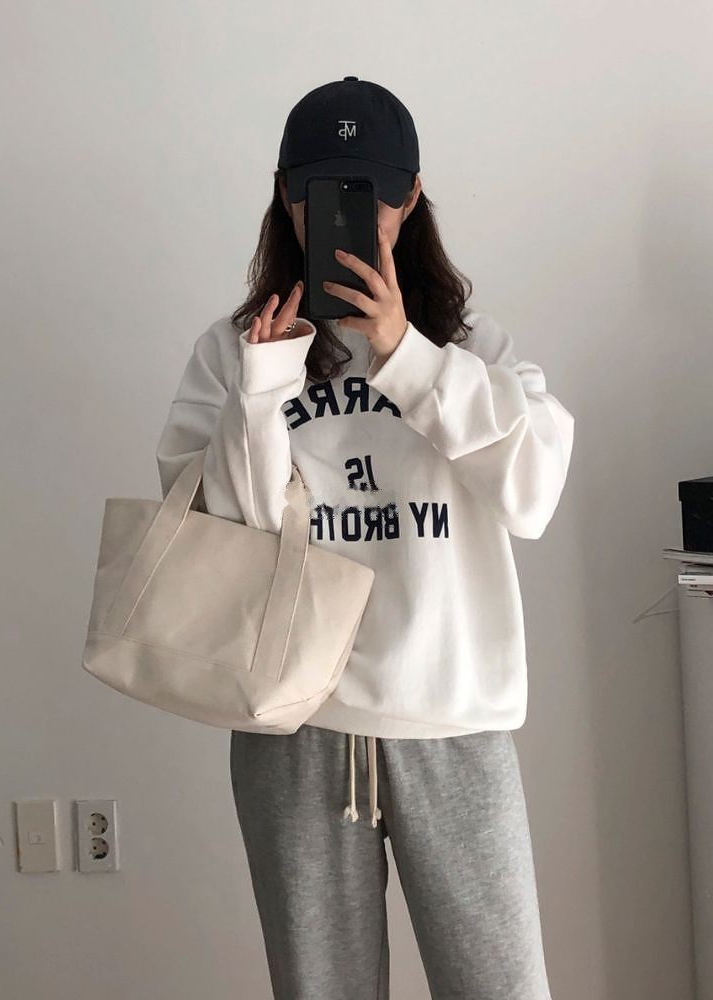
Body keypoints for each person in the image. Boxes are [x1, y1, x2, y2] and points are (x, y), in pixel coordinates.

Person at [156, 76, 575, 1000]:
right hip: (296, 728)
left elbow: (535, 494)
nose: (351, 216)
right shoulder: (234, 352)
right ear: (286, 194)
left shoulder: (473, 348)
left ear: (411, 196)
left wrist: (408, 355)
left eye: (373, 193)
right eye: (323, 192)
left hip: (453, 719)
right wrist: (262, 388)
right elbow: (220, 538)